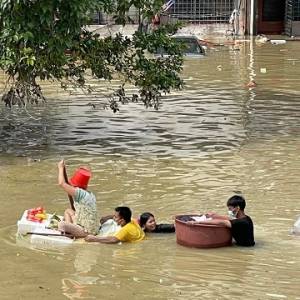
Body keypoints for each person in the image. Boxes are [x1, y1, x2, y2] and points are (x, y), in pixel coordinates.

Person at [188, 195, 255, 247]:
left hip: (244, 248)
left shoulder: (240, 222)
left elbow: (221, 222)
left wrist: (197, 222)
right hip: (247, 246)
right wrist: (214, 216)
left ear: (237, 208)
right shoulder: (246, 218)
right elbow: (229, 218)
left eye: (230, 209)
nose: (229, 211)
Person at [57, 160, 98, 238]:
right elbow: (67, 185)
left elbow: (61, 183)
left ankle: (69, 234)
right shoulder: (89, 194)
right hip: (91, 227)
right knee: (68, 211)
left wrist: (60, 168)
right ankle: (70, 229)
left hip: (87, 231)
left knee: (61, 224)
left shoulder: (80, 193)